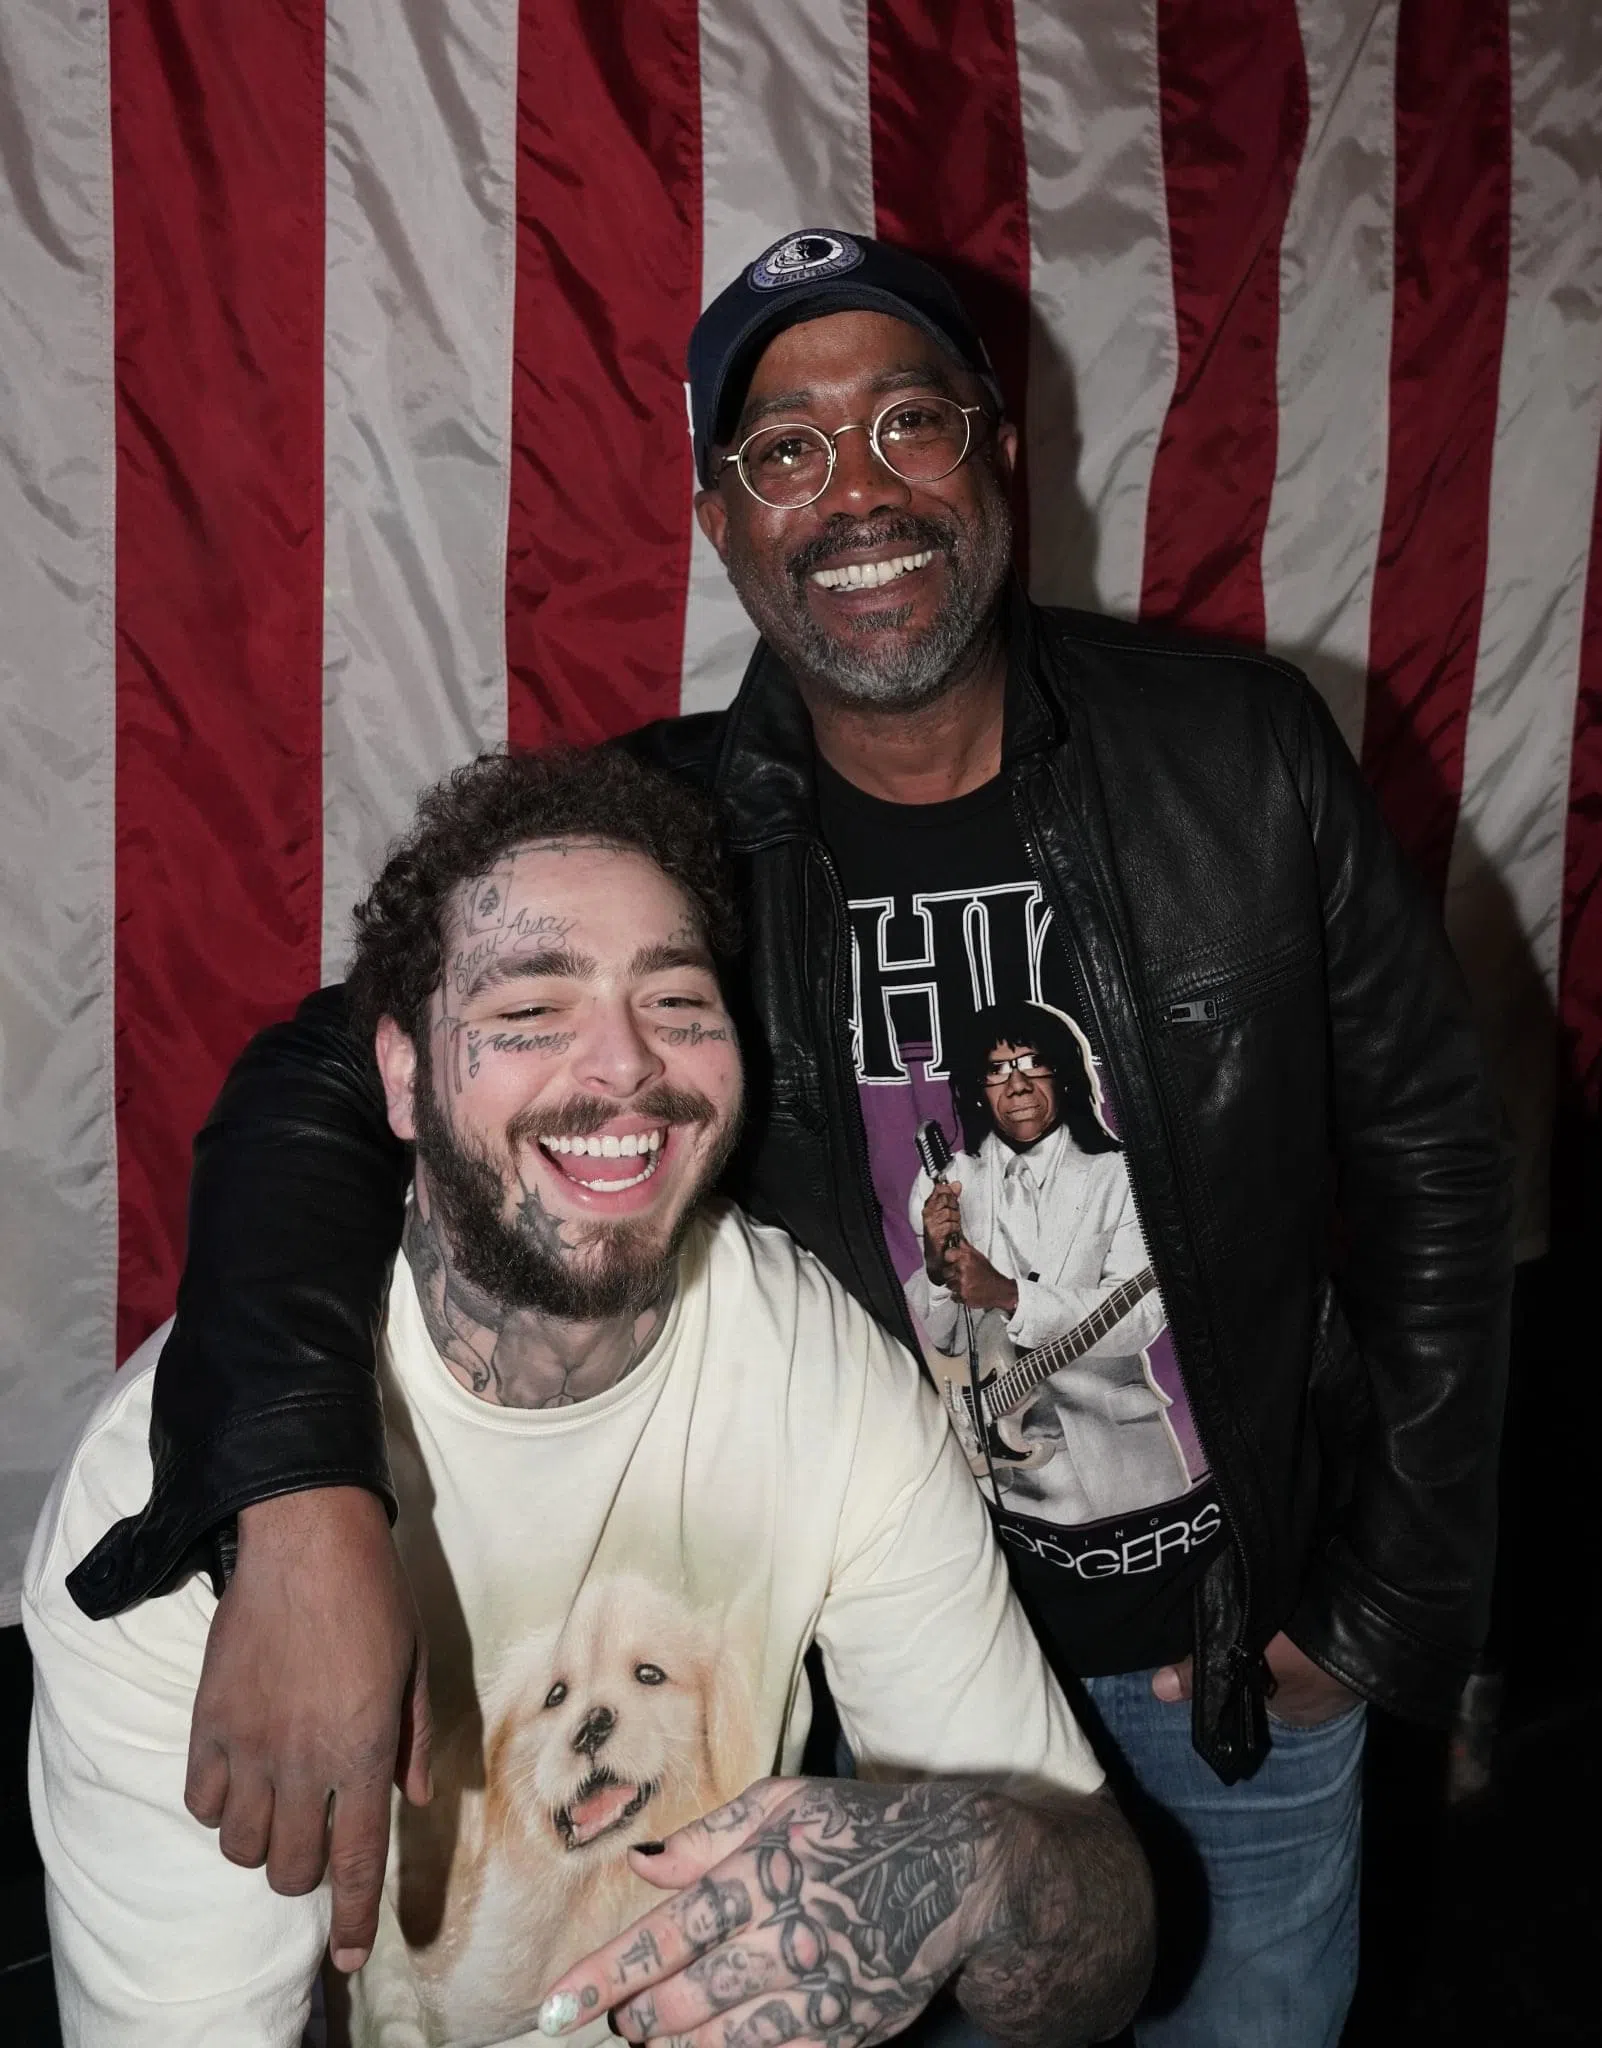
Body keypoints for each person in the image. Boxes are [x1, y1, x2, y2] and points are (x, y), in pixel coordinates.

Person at [66, 231, 1511, 2047]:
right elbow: (324, 1084)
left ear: (996, 457)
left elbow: (1436, 1168)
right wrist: (294, 1499)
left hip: (1227, 1664)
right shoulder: (675, 831)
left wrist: (1375, 1612)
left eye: (910, 421)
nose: (859, 488)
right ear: (720, 521)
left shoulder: (1238, 752)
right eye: (787, 448)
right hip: (871, 1672)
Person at [25, 746, 1151, 2048]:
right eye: (529, 1010)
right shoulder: (165, 1507)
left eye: (674, 999)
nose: (622, 1061)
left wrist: (981, 1867)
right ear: (400, 1076)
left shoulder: (815, 1367)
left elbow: (1104, 1947)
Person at [905, 999, 1190, 1533]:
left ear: (1063, 1074)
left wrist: (1010, 1295)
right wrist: (939, 1276)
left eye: (1033, 1063)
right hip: (992, 1469)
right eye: (997, 1070)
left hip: (1118, 1458)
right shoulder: (945, 1181)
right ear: (977, 1088)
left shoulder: (1123, 1175)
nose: (1016, 1085)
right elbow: (935, 1340)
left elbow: (1142, 1316)